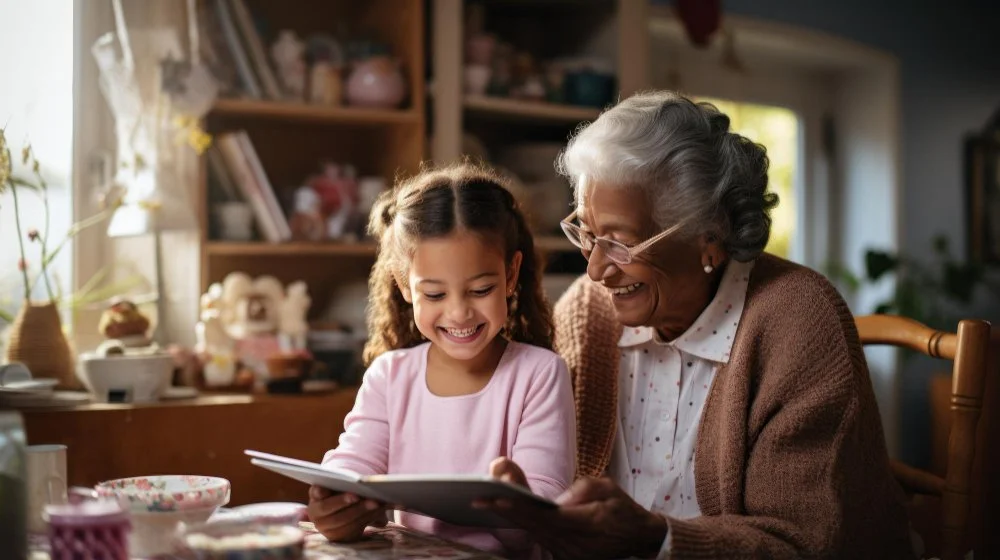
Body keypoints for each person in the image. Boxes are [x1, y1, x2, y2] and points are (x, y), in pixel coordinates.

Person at [477, 91, 915, 559]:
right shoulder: (591, 310)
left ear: (709, 240)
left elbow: (804, 543)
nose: (596, 270)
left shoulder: (798, 321)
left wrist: (654, 536)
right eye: (586, 233)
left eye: (620, 243)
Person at [308, 164, 577, 557]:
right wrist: (335, 505)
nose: (459, 314)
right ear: (404, 286)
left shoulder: (539, 374)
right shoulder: (389, 376)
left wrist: (521, 498)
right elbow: (352, 465)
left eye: (481, 289)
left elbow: (546, 506)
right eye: (434, 295)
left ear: (511, 274)